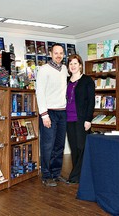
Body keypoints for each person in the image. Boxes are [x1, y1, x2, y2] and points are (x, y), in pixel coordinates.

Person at [35, 43, 68, 187]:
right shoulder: (44, 69)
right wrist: (44, 114)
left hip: (62, 112)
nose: (59, 55)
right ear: (50, 54)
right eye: (56, 53)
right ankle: (46, 175)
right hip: (49, 112)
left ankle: (56, 173)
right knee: (47, 145)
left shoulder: (65, 69)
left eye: (61, 53)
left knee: (59, 145)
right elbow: (39, 92)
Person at [66, 54, 95, 184]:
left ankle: (75, 176)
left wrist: (88, 119)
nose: (73, 66)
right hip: (68, 118)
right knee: (74, 148)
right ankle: (79, 175)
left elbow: (91, 101)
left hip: (82, 119)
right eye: (70, 64)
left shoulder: (87, 80)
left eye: (75, 63)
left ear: (80, 66)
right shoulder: (66, 81)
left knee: (81, 147)